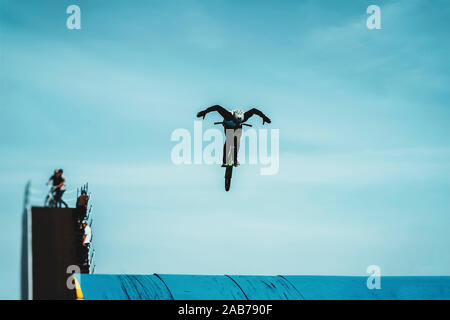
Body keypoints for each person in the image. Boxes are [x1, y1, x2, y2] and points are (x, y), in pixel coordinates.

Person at [196, 105, 271, 166]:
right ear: (233, 117)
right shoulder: (227, 115)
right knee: (229, 140)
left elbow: (254, 110)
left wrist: (264, 117)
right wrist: (204, 112)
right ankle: (225, 160)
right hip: (228, 126)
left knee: (237, 141)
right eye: (236, 121)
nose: (237, 122)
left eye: (239, 121)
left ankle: (235, 160)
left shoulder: (244, 117)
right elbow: (217, 107)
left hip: (238, 127)